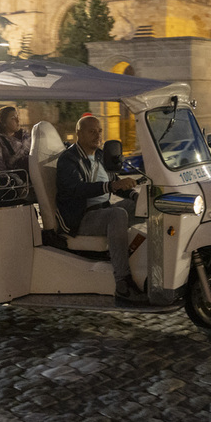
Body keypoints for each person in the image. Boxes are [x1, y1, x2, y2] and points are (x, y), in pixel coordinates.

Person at [56, 114, 146, 304]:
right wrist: (110, 187)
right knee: (118, 214)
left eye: (99, 131)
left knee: (144, 206)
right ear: (78, 133)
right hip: (81, 218)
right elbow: (74, 190)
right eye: (92, 132)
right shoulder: (69, 160)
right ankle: (123, 281)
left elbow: (114, 183)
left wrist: (136, 196)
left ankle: (149, 263)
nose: (97, 136)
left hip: (104, 211)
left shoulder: (100, 155)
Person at [0, 106, 30, 173]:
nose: (18, 121)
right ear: (3, 122)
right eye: (13, 118)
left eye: (17, 117)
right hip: (14, 177)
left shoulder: (26, 136)